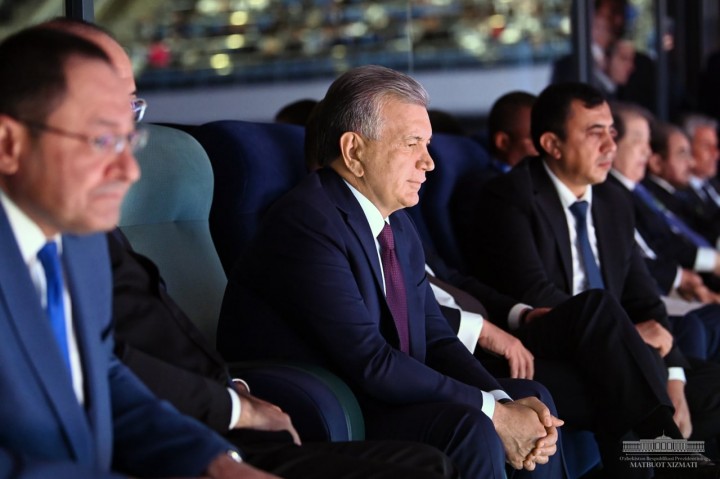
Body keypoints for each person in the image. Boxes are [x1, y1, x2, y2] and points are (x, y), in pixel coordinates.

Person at [48, 18, 459, 479]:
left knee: (429, 464)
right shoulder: (308, 220)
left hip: (208, 419)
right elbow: (98, 373)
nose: (128, 165)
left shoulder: (93, 236)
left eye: (131, 111)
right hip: (178, 436)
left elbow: (129, 355)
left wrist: (232, 396)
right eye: (103, 122)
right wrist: (218, 437)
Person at [218, 65, 567, 479]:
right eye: (412, 143)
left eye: (427, 144)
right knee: (472, 425)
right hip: (334, 408)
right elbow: (370, 360)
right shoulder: (306, 223)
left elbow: (435, 336)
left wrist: (500, 400)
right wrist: (493, 413)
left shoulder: (396, 222)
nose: (429, 163)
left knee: (532, 401)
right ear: (354, 151)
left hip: (385, 392)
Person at [0, 26, 274, 479]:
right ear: (9, 145)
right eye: (102, 141)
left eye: (130, 139)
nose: (129, 171)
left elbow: (101, 378)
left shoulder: (81, 245)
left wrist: (211, 462)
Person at [472, 81, 720, 475]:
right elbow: (533, 292)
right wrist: (629, 335)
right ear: (552, 144)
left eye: (612, 132)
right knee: (603, 314)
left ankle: (674, 453)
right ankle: (675, 457)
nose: (610, 145)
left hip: (619, 351)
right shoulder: (508, 196)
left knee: (702, 385)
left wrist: (673, 375)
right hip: (546, 340)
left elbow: (645, 299)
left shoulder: (613, 200)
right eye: (594, 133)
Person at [608, 101, 720, 363]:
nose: (646, 152)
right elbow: (647, 253)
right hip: (649, 295)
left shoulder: (636, 191)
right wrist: (679, 277)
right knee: (694, 327)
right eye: (638, 142)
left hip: (673, 284)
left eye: (648, 143)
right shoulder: (611, 194)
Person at [678, 113, 720, 245]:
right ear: (687, 148)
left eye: (715, 146)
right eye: (706, 146)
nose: (715, 154)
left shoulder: (714, 185)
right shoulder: (680, 193)